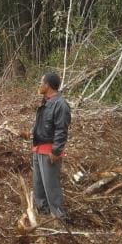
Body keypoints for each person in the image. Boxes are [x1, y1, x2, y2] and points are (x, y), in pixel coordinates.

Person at [31, 72, 71, 223]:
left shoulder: (60, 104)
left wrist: (56, 151)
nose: (39, 85)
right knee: (38, 184)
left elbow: (62, 129)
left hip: (49, 152)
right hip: (38, 149)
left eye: (41, 82)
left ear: (47, 85)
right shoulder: (45, 102)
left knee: (51, 186)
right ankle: (44, 213)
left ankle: (59, 218)